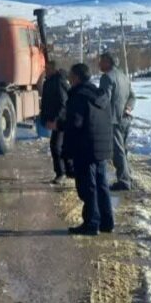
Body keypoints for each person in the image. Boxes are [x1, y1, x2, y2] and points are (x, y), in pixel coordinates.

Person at [60, 63, 114, 235]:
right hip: (101, 148)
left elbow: (74, 124)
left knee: (88, 187)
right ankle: (106, 222)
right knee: (101, 185)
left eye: (70, 75)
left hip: (85, 148)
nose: (68, 78)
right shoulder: (100, 95)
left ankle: (91, 223)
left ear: (76, 77)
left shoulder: (79, 96)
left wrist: (66, 150)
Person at [98, 52, 136, 191]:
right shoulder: (124, 77)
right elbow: (132, 96)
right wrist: (129, 107)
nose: (99, 64)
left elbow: (103, 99)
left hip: (113, 120)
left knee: (117, 151)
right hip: (125, 118)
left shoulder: (107, 77)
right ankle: (128, 176)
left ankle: (124, 181)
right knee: (123, 150)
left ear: (108, 62)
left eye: (101, 61)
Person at [40, 60, 73, 184]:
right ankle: (69, 171)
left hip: (61, 121)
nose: (45, 70)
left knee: (56, 146)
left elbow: (63, 103)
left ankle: (61, 173)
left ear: (54, 69)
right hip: (59, 120)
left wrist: (55, 120)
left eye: (47, 68)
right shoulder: (51, 81)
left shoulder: (58, 82)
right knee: (62, 146)